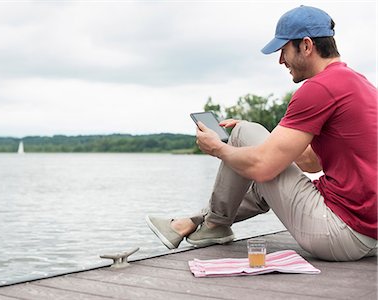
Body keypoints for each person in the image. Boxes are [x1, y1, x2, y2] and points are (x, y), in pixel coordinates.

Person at [146, 5, 377, 261]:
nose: (280, 60)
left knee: (247, 134)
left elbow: (263, 168)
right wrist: (269, 141)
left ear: (307, 46)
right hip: (367, 233)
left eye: (283, 50)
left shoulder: (320, 88)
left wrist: (219, 148)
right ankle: (200, 222)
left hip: (341, 233)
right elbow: (312, 163)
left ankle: (213, 225)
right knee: (260, 166)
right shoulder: (358, 83)